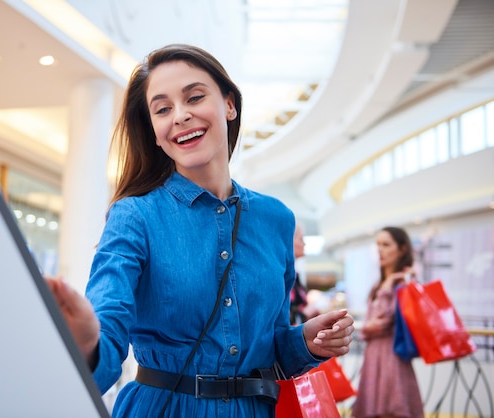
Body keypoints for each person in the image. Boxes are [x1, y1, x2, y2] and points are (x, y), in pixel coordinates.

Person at [46, 44, 354, 417]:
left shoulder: (277, 219)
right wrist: (87, 340)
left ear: (229, 104)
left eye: (194, 97)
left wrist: (305, 342)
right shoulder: (134, 216)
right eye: (162, 109)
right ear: (155, 133)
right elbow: (108, 322)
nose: (180, 115)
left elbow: (270, 347)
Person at [351, 226, 424, 418]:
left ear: (402, 249)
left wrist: (388, 287)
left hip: (392, 357)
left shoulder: (404, 282)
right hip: (374, 357)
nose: (380, 250)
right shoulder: (382, 283)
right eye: (378, 245)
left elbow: (382, 322)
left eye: (386, 244)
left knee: (390, 409)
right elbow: (370, 325)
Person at [290, 224, 320, 325]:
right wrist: (306, 313)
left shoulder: (294, 276)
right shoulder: (284, 278)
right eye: (301, 239)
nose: (304, 244)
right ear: (289, 241)